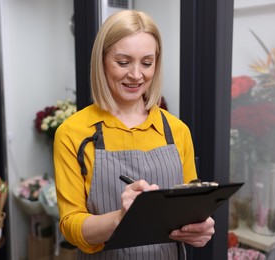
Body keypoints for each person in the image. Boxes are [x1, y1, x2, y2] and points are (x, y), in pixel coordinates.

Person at [53, 10, 215, 259]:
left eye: (147, 63)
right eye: (123, 62)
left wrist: (200, 229)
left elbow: (190, 208)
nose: (137, 75)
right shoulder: (72, 133)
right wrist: (120, 218)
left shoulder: (177, 131)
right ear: (102, 60)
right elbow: (70, 226)